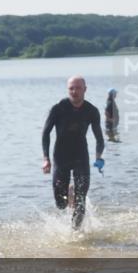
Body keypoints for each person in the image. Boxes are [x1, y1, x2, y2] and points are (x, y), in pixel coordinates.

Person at [42, 76, 105, 229]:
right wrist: (46, 159)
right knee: (61, 204)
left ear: (85, 89)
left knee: (80, 198)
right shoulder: (58, 108)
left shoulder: (91, 111)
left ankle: (75, 233)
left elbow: (99, 138)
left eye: (77, 88)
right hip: (61, 156)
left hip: (80, 156)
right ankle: (69, 191)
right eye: (71, 88)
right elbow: (45, 133)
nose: (74, 91)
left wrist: (98, 157)